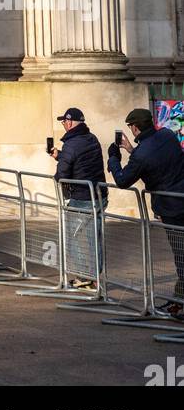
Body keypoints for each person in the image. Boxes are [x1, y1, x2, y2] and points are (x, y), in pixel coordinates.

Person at [108, 107, 184, 312]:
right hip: (180, 199)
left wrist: (113, 159)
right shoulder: (167, 136)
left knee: (181, 254)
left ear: (134, 127)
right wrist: (132, 151)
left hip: (171, 208)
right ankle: (178, 301)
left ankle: (180, 302)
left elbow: (123, 180)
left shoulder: (142, 154)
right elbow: (158, 160)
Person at [50, 107, 107, 289]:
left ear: (69, 122)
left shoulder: (71, 144)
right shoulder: (92, 139)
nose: (64, 125)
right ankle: (95, 278)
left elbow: (62, 174)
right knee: (94, 238)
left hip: (81, 197)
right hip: (99, 195)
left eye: (64, 122)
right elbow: (83, 163)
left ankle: (84, 276)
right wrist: (61, 156)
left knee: (71, 237)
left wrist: (61, 162)